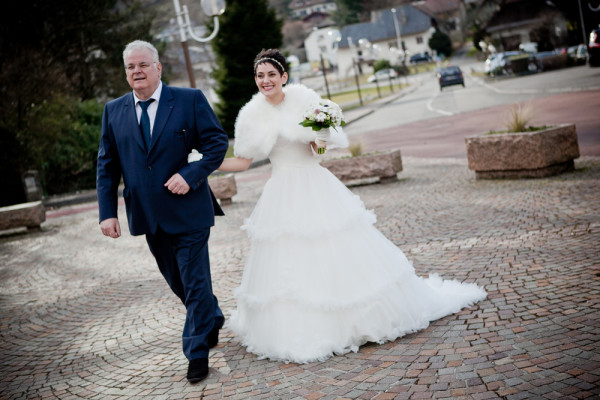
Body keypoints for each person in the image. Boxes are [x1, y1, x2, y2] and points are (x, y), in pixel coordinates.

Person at [217, 49, 487, 364]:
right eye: (260, 75)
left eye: (271, 74)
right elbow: (243, 160)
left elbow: (318, 152)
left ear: (284, 77)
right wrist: (207, 163)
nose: (266, 80)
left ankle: (357, 320)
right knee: (288, 255)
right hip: (280, 192)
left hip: (314, 186)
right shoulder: (251, 115)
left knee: (335, 246)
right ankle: (302, 326)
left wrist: (318, 133)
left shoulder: (304, 101)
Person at [96, 40, 229, 382]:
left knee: (195, 280)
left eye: (143, 64)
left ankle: (196, 353)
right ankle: (210, 316)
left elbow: (216, 143)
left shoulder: (189, 100)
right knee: (177, 280)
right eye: (130, 67)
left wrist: (191, 175)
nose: (137, 71)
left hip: (189, 212)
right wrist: (106, 212)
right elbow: (107, 166)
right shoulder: (114, 111)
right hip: (148, 215)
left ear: (158, 67)